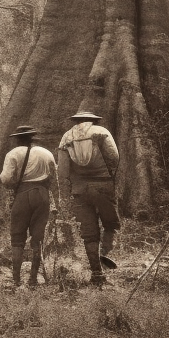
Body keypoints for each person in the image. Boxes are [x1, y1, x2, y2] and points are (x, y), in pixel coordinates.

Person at [57, 110, 120, 286]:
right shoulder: (101, 132)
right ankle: (105, 253)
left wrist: (72, 183)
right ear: (92, 121)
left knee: (89, 234)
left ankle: (97, 274)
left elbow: (62, 171)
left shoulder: (66, 137)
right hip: (103, 186)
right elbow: (114, 158)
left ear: (76, 121)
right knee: (110, 224)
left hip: (79, 191)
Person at [0, 124, 57, 288]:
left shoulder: (13, 154)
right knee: (38, 237)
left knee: (17, 238)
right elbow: (54, 177)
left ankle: (16, 280)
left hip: (22, 195)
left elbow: (5, 179)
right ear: (32, 138)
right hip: (42, 194)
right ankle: (33, 279)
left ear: (17, 139)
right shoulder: (46, 153)